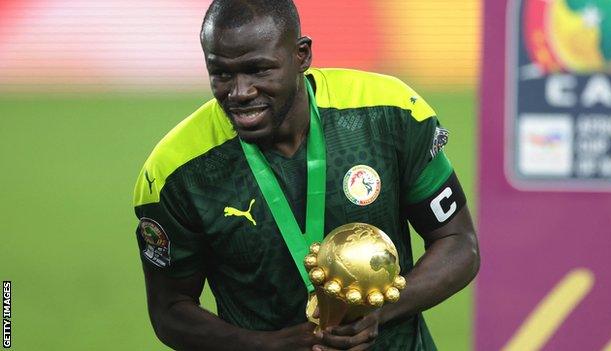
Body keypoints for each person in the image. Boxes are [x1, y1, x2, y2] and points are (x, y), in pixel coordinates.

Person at [132, 0, 480, 350]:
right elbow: (170, 309)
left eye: (258, 70)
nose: (239, 92)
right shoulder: (175, 173)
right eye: (222, 74)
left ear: (302, 55)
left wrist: (380, 311)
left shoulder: (390, 114)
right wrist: (264, 346)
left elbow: (459, 243)